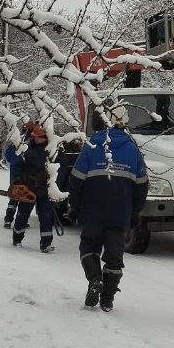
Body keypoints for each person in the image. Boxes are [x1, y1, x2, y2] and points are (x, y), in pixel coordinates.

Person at [68, 105, 147, 311]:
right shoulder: (133, 149)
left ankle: (95, 279)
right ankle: (108, 299)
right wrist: (135, 212)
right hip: (120, 214)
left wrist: (74, 206)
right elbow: (142, 185)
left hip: (92, 211)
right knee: (114, 257)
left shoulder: (92, 145)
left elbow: (76, 179)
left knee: (88, 247)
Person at [4, 122, 61, 252]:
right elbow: (16, 164)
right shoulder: (26, 148)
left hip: (44, 189)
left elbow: (58, 167)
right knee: (23, 214)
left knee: (46, 216)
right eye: (35, 136)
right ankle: (17, 239)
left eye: (39, 136)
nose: (36, 138)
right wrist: (18, 179)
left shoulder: (51, 150)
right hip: (28, 188)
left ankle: (46, 244)